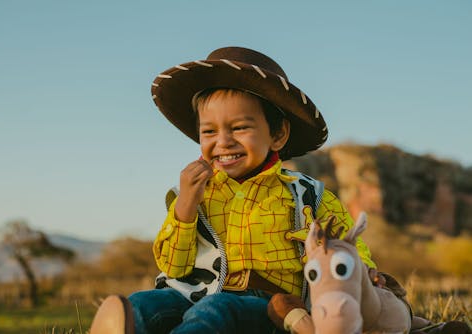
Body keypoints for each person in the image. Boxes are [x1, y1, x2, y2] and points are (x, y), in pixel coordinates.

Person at [89, 46, 383, 334]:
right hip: (191, 291)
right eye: (209, 131)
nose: (223, 142)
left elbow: (345, 244)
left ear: (278, 134)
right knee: (143, 304)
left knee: (213, 311)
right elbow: (173, 268)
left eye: (240, 127)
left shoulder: (306, 194)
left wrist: (365, 272)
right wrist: (187, 204)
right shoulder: (196, 193)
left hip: (271, 304)